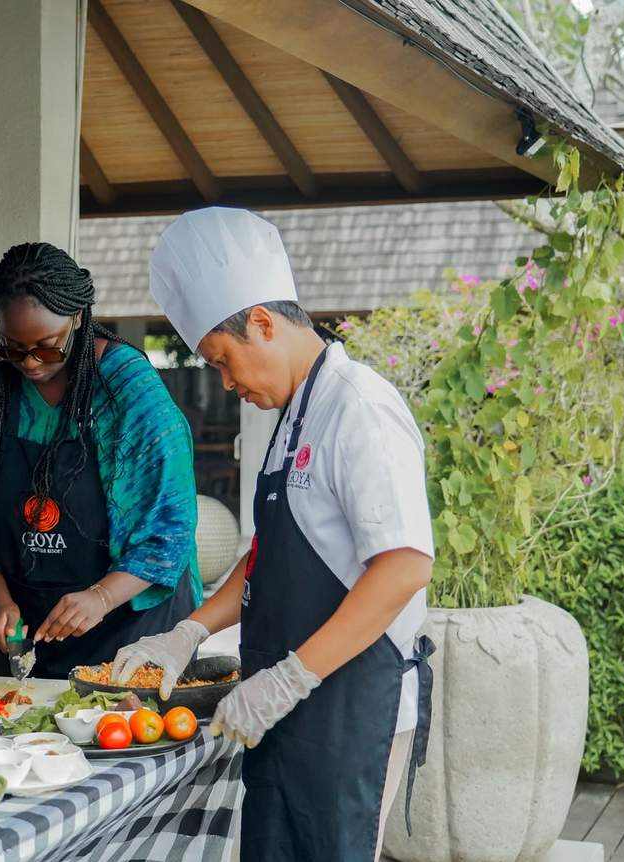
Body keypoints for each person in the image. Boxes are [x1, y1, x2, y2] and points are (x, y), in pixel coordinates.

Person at [109, 207, 435, 860]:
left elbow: (402, 566)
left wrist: (287, 680)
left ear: (261, 322)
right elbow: (270, 555)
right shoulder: (292, 417)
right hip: (282, 708)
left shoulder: (358, 409)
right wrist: (189, 631)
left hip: (346, 707)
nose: (225, 383)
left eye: (223, 361)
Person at [0, 242, 200, 679]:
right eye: (12, 347)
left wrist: (101, 598)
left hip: (131, 625)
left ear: (78, 318)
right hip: (29, 631)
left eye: (47, 347)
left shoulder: (126, 389)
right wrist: (0, 601)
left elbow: (170, 527)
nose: (28, 363)